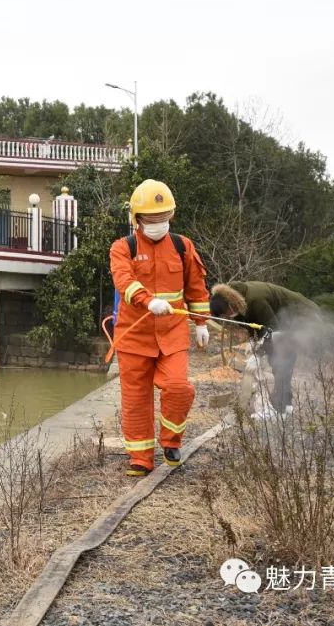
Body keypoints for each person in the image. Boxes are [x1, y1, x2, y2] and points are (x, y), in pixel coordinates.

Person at [109, 179, 212, 477]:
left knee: (179, 387)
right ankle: (140, 459)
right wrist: (147, 300)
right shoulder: (122, 248)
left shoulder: (183, 246)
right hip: (134, 336)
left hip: (173, 334)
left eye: (163, 218)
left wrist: (201, 323)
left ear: (172, 215)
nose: (158, 224)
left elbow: (196, 287)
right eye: (151, 219)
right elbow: (124, 281)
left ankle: (171, 442)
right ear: (137, 219)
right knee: (136, 399)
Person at [210, 281, 318, 414]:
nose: (226, 317)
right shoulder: (237, 303)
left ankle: (282, 407)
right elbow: (254, 325)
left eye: (226, 313)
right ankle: (285, 402)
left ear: (230, 305)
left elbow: (274, 331)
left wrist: (259, 354)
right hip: (278, 319)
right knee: (275, 357)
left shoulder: (256, 300)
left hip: (301, 314)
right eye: (223, 317)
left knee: (282, 357)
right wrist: (253, 343)